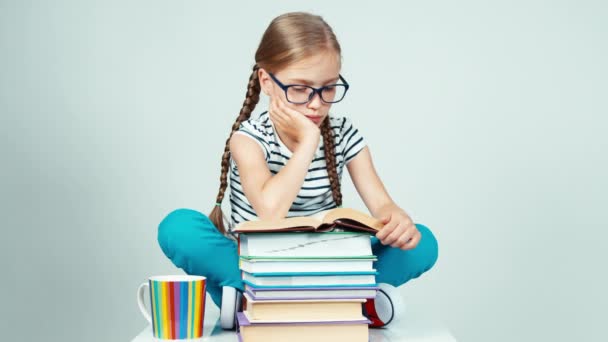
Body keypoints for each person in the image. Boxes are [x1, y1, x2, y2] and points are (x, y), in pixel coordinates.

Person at [157, 11, 438, 329]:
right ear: (267, 82)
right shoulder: (248, 140)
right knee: (178, 226)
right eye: (300, 89)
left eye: (328, 88)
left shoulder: (345, 135)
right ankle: (350, 301)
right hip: (255, 265)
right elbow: (271, 213)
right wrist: (307, 144)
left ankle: (264, 300)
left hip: (326, 265)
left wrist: (397, 220)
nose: (316, 104)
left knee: (423, 242)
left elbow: (382, 205)